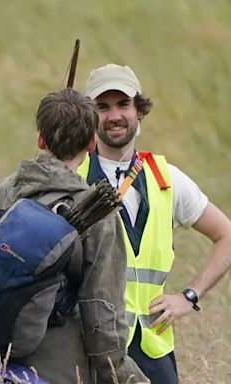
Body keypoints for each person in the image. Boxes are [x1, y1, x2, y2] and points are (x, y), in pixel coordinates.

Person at [0, 88, 149, 383]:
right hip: (57, 369)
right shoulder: (97, 212)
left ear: (40, 139)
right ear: (92, 143)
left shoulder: (2, 192)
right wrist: (119, 373)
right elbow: (101, 308)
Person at [79, 63, 231, 384]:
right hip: (87, 347)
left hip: (152, 351)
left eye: (123, 104)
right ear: (89, 116)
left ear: (139, 110)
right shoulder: (71, 180)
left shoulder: (167, 179)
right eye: (102, 107)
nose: (114, 115)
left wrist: (189, 297)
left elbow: (226, 236)